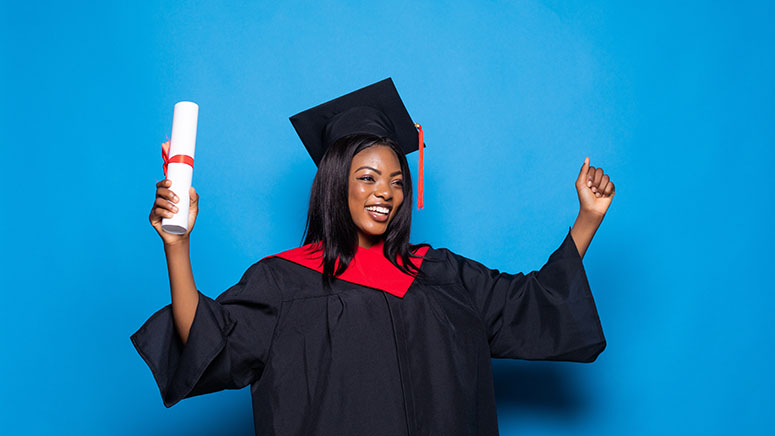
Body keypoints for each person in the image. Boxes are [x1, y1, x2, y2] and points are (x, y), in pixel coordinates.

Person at [132, 78, 614, 436]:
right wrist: (177, 244)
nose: (386, 192)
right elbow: (206, 340)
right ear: (335, 183)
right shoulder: (284, 283)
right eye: (367, 177)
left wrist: (587, 219)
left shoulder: (442, 275)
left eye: (397, 181)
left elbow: (533, 303)